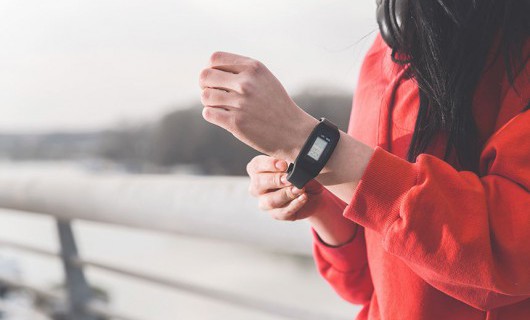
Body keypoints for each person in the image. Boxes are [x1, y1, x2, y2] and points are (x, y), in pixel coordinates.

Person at [198, 0, 530, 319]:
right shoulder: (383, 49)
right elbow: (365, 284)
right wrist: (323, 201)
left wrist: (308, 141)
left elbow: (512, 257)